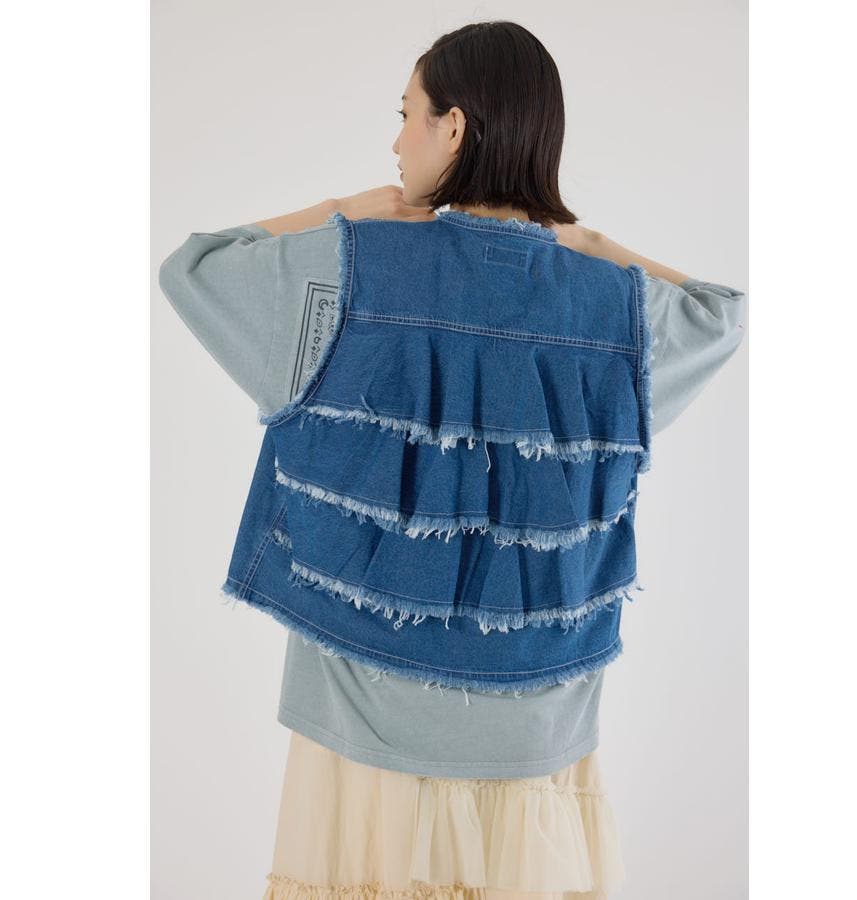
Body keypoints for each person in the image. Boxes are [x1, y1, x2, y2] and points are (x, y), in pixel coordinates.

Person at [158, 20, 746, 900]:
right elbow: (719, 313)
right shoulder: (611, 307)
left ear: (455, 127)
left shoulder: (348, 266)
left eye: (406, 114)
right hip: (536, 732)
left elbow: (195, 267)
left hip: (360, 723)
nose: (396, 142)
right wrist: (588, 245)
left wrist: (346, 209)